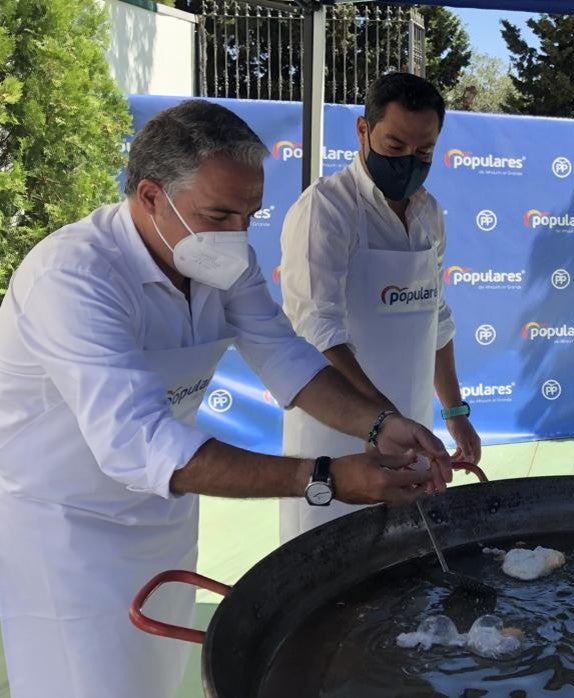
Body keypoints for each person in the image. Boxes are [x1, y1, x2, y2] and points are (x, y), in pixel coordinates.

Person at [0, 100, 453, 698]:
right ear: (151, 196)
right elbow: (141, 442)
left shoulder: (219, 258)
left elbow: (285, 356)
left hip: (162, 513)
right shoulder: (74, 278)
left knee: (157, 679)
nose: (237, 234)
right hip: (66, 530)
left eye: (249, 215)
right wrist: (326, 478)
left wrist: (379, 424)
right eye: (218, 214)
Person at [278, 73, 480, 543]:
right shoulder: (326, 209)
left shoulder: (428, 213)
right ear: (363, 131)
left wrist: (454, 411)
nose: (408, 161)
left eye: (424, 151)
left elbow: (436, 319)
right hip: (337, 438)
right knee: (332, 558)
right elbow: (319, 333)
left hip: (410, 430)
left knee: (405, 558)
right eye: (395, 145)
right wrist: (383, 420)